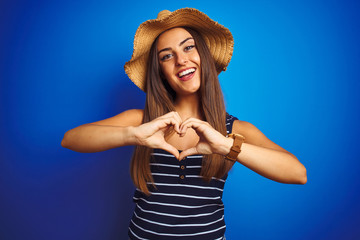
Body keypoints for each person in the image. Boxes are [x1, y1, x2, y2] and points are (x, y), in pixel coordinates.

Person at [61, 8, 307, 240]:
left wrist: (225, 146)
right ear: (160, 71)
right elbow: (71, 139)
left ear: (204, 56)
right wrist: (133, 135)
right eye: (167, 56)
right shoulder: (141, 120)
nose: (180, 60)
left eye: (189, 48)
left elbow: (298, 173)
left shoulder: (236, 130)